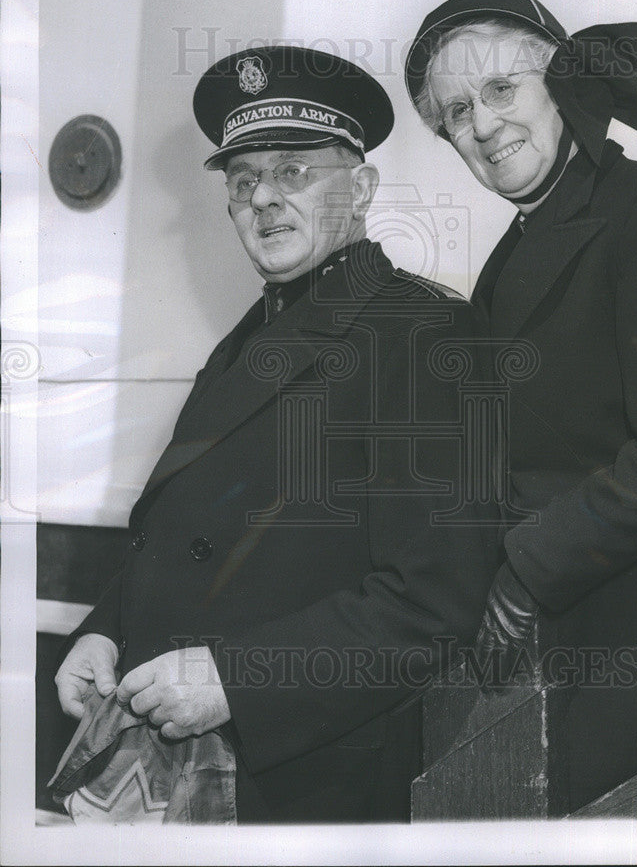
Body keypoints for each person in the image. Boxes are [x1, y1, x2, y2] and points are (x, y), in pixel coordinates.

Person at [54, 45, 499, 823]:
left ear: (361, 190)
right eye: (243, 179)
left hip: (298, 783)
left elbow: (431, 603)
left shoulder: (424, 331)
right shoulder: (247, 338)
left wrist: (239, 680)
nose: (263, 198)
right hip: (166, 755)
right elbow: (184, 532)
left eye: (293, 172)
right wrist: (105, 631)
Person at [404, 0, 637, 813]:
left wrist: (530, 568)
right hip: (557, 649)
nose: (483, 126)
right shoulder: (502, 265)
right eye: (456, 114)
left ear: (560, 82)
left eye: (500, 91)